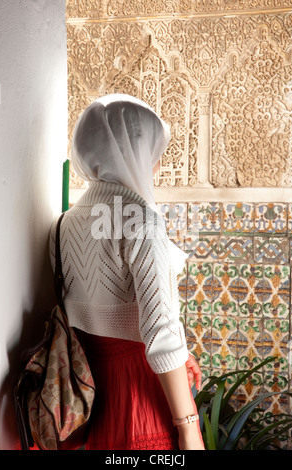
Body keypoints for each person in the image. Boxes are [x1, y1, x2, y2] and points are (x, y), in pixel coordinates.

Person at [49, 94, 204, 451]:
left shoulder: (62, 226)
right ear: (131, 153)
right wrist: (189, 428)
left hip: (91, 397)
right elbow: (160, 333)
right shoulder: (141, 221)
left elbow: (97, 313)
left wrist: (179, 358)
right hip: (142, 396)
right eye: (152, 153)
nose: (155, 165)